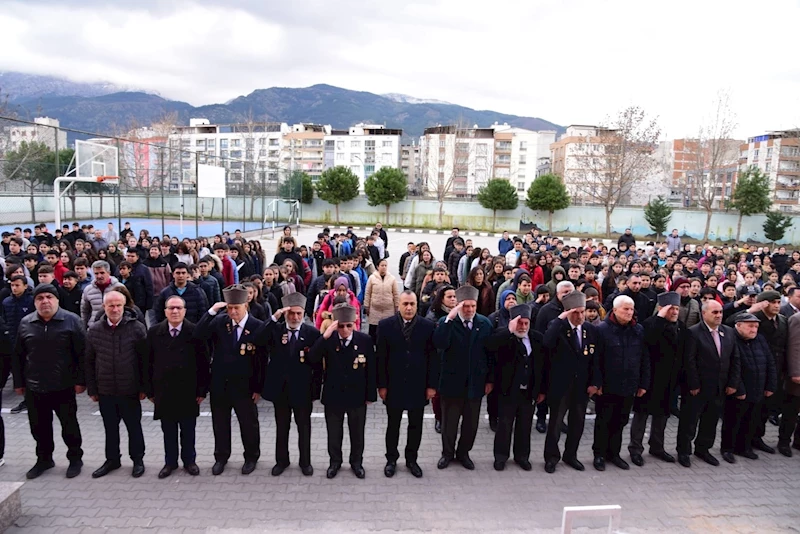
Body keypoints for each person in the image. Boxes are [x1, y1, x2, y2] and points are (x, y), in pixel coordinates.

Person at [12, 284, 86, 479]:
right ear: (35, 302)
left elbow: (82, 354)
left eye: (49, 297)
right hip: (34, 386)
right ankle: (44, 459)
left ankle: (75, 459)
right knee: (39, 427)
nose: (45, 301)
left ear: (56, 300)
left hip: (64, 385)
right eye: (40, 298)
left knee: (69, 426)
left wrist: (81, 381)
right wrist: (19, 383)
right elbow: (18, 355)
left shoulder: (72, 321)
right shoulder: (26, 323)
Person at [195, 285, 265, 476]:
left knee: (248, 423)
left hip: (245, 385)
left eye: (237, 307)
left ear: (246, 305)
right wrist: (211, 311)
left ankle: (251, 457)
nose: (233, 312)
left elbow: (262, 360)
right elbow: (198, 335)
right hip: (220, 383)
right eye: (230, 307)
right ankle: (221, 456)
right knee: (220, 423)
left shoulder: (257, 326)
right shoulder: (219, 322)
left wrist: (258, 387)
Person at [144, 295, 210, 479]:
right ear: (165, 311)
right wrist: (149, 391)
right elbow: (147, 363)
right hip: (164, 390)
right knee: (168, 430)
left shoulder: (195, 331)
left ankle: (190, 461)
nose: (174, 311)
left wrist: (202, 391)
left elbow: (204, 363)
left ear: (185, 311)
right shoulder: (155, 332)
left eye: (178, 308)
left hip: (188, 390)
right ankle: (170, 462)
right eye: (171, 308)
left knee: (188, 429)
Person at [86, 291, 148, 479]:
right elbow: (88, 361)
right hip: (105, 389)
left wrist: (144, 387)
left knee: (134, 426)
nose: (114, 309)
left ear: (124, 306)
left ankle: (137, 459)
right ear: (104, 307)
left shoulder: (136, 328)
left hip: (129, 388)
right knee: (110, 428)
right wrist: (92, 389)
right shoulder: (94, 330)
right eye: (110, 305)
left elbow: (144, 360)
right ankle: (112, 459)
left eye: (118, 305)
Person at [376, 291, 437, 478]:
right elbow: (381, 358)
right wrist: (382, 385)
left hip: (418, 385)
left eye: (412, 304)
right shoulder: (385, 326)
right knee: (393, 425)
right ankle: (391, 459)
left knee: (415, 425)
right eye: (405, 304)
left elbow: (433, 358)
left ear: (417, 305)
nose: (409, 308)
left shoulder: (428, 326)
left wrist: (431, 385)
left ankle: (412, 459)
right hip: (394, 385)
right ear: (398, 305)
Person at [311, 304, 376, 479]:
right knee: (334, 432)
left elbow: (371, 369)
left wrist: (370, 395)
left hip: (357, 395)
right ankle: (335, 462)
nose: (345, 329)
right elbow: (313, 358)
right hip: (334, 395)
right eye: (341, 326)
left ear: (355, 323)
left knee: (357, 433)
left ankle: (356, 462)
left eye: (349, 325)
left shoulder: (364, 340)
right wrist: (324, 336)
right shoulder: (329, 340)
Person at [260, 293, 322, 477]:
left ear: (304, 314)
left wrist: (315, 392)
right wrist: (274, 317)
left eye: (298, 314)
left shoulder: (312, 333)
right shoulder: (276, 330)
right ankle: (282, 460)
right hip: (281, 390)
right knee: (282, 427)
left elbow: (318, 365)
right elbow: (258, 338)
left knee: (304, 428)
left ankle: (305, 462)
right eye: (291, 313)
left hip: (303, 391)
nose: (295, 317)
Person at [434, 285, 493, 470]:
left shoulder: (484, 324)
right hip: (452, 384)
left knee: (471, 424)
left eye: (473, 306)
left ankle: (463, 453)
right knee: (449, 424)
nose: (469, 310)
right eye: (465, 306)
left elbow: (490, 355)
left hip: (475, 384)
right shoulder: (447, 322)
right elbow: (439, 343)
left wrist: (489, 380)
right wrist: (450, 319)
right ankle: (447, 453)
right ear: (458, 305)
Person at [677, 300, 740, 468]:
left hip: (720, 386)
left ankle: (703, 449)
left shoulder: (729, 332)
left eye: (720, 312)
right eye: (715, 312)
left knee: (710, 421)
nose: (719, 315)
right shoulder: (693, 333)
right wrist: (693, 384)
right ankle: (684, 451)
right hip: (697, 388)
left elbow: (735, 359)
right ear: (704, 314)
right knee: (689, 421)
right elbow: (689, 361)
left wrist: (733, 382)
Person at [542, 291, 600, 473]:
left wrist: (595, 382)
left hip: (581, 387)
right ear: (567, 312)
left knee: (577, 423)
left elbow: (596, 359)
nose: (581, 316)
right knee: (556, 424)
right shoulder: (557, 327)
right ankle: (551, 457)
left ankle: (571, 455)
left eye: (583, 312)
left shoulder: (590, 330)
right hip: (560, 386)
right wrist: (560, 319)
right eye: (576, 312)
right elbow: (546, 343)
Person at [592, 295, 650, 471]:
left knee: (621, 420)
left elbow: (644, 358)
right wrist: (597, 383)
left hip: (629, 384)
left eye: (631, 309)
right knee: (604, 421)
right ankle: (599, 454)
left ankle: (614, 453)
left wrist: (643, 383)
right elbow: (595, 360)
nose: (629, 312)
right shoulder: (602, 330)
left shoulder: (638, 330)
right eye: (625, 309)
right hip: (608, 385)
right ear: (615, 310)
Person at [628, 291, 686, 466]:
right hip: (650, 379)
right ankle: (636, 449)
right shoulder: (650, 324)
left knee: (662, 415)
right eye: (671, 309)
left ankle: (657, 446)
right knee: (642, 416)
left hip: (669, 380)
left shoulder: (681, 327)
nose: (675, 312)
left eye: (677, 308)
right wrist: (660, 318)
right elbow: (649, 341)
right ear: (661, 309)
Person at [486, 305, 545, 471]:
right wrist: (509, 331)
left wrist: (541, 390)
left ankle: (522, 456)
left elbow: (543, 366)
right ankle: (501, 457)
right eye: (520, 323)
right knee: (504, 425)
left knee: (525, 426)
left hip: (529, 391)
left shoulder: (536, 339)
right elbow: (490, 345)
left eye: (526, 323)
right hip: (507, 390)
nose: (523, 327)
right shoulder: (504, 336)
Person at [720, 313, 777, 463]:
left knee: (752, 419)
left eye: (756, 326)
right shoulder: (730, 339)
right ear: (738, 326)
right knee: (733, 420)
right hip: (739, 390)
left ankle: (745, 446)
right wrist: (738, 389)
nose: (754, 330)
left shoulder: (760, 339)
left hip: (758, 387)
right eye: (750, 326)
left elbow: (770, 362)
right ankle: (727, 449)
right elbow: (730, 367)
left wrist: (770, 385)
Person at [363, 259, 399, 345]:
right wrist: (366, 306)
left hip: (388, 310)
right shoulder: (372, 278)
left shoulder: (392, 279)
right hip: (375, 310)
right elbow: (368, 293)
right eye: (382, 265)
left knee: (387, 331)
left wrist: (397, 307)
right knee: (374, 332)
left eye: (385, 265)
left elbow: (396, 294)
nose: (384, 267)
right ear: (377, 267)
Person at [780, 312, 800, 456]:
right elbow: (794, 346)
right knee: (791, 409)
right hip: (797, 375)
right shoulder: (797, 319)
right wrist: (795, 372)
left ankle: (798, 441)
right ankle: (784, 441)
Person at [81, 261, 123, 328]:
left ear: (108, 273)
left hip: (116, 327)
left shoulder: (119, 288)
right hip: (94, 327)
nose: (99, 276)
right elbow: (84, 311)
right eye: (96, 273)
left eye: (102, 273)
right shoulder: (88, 290)